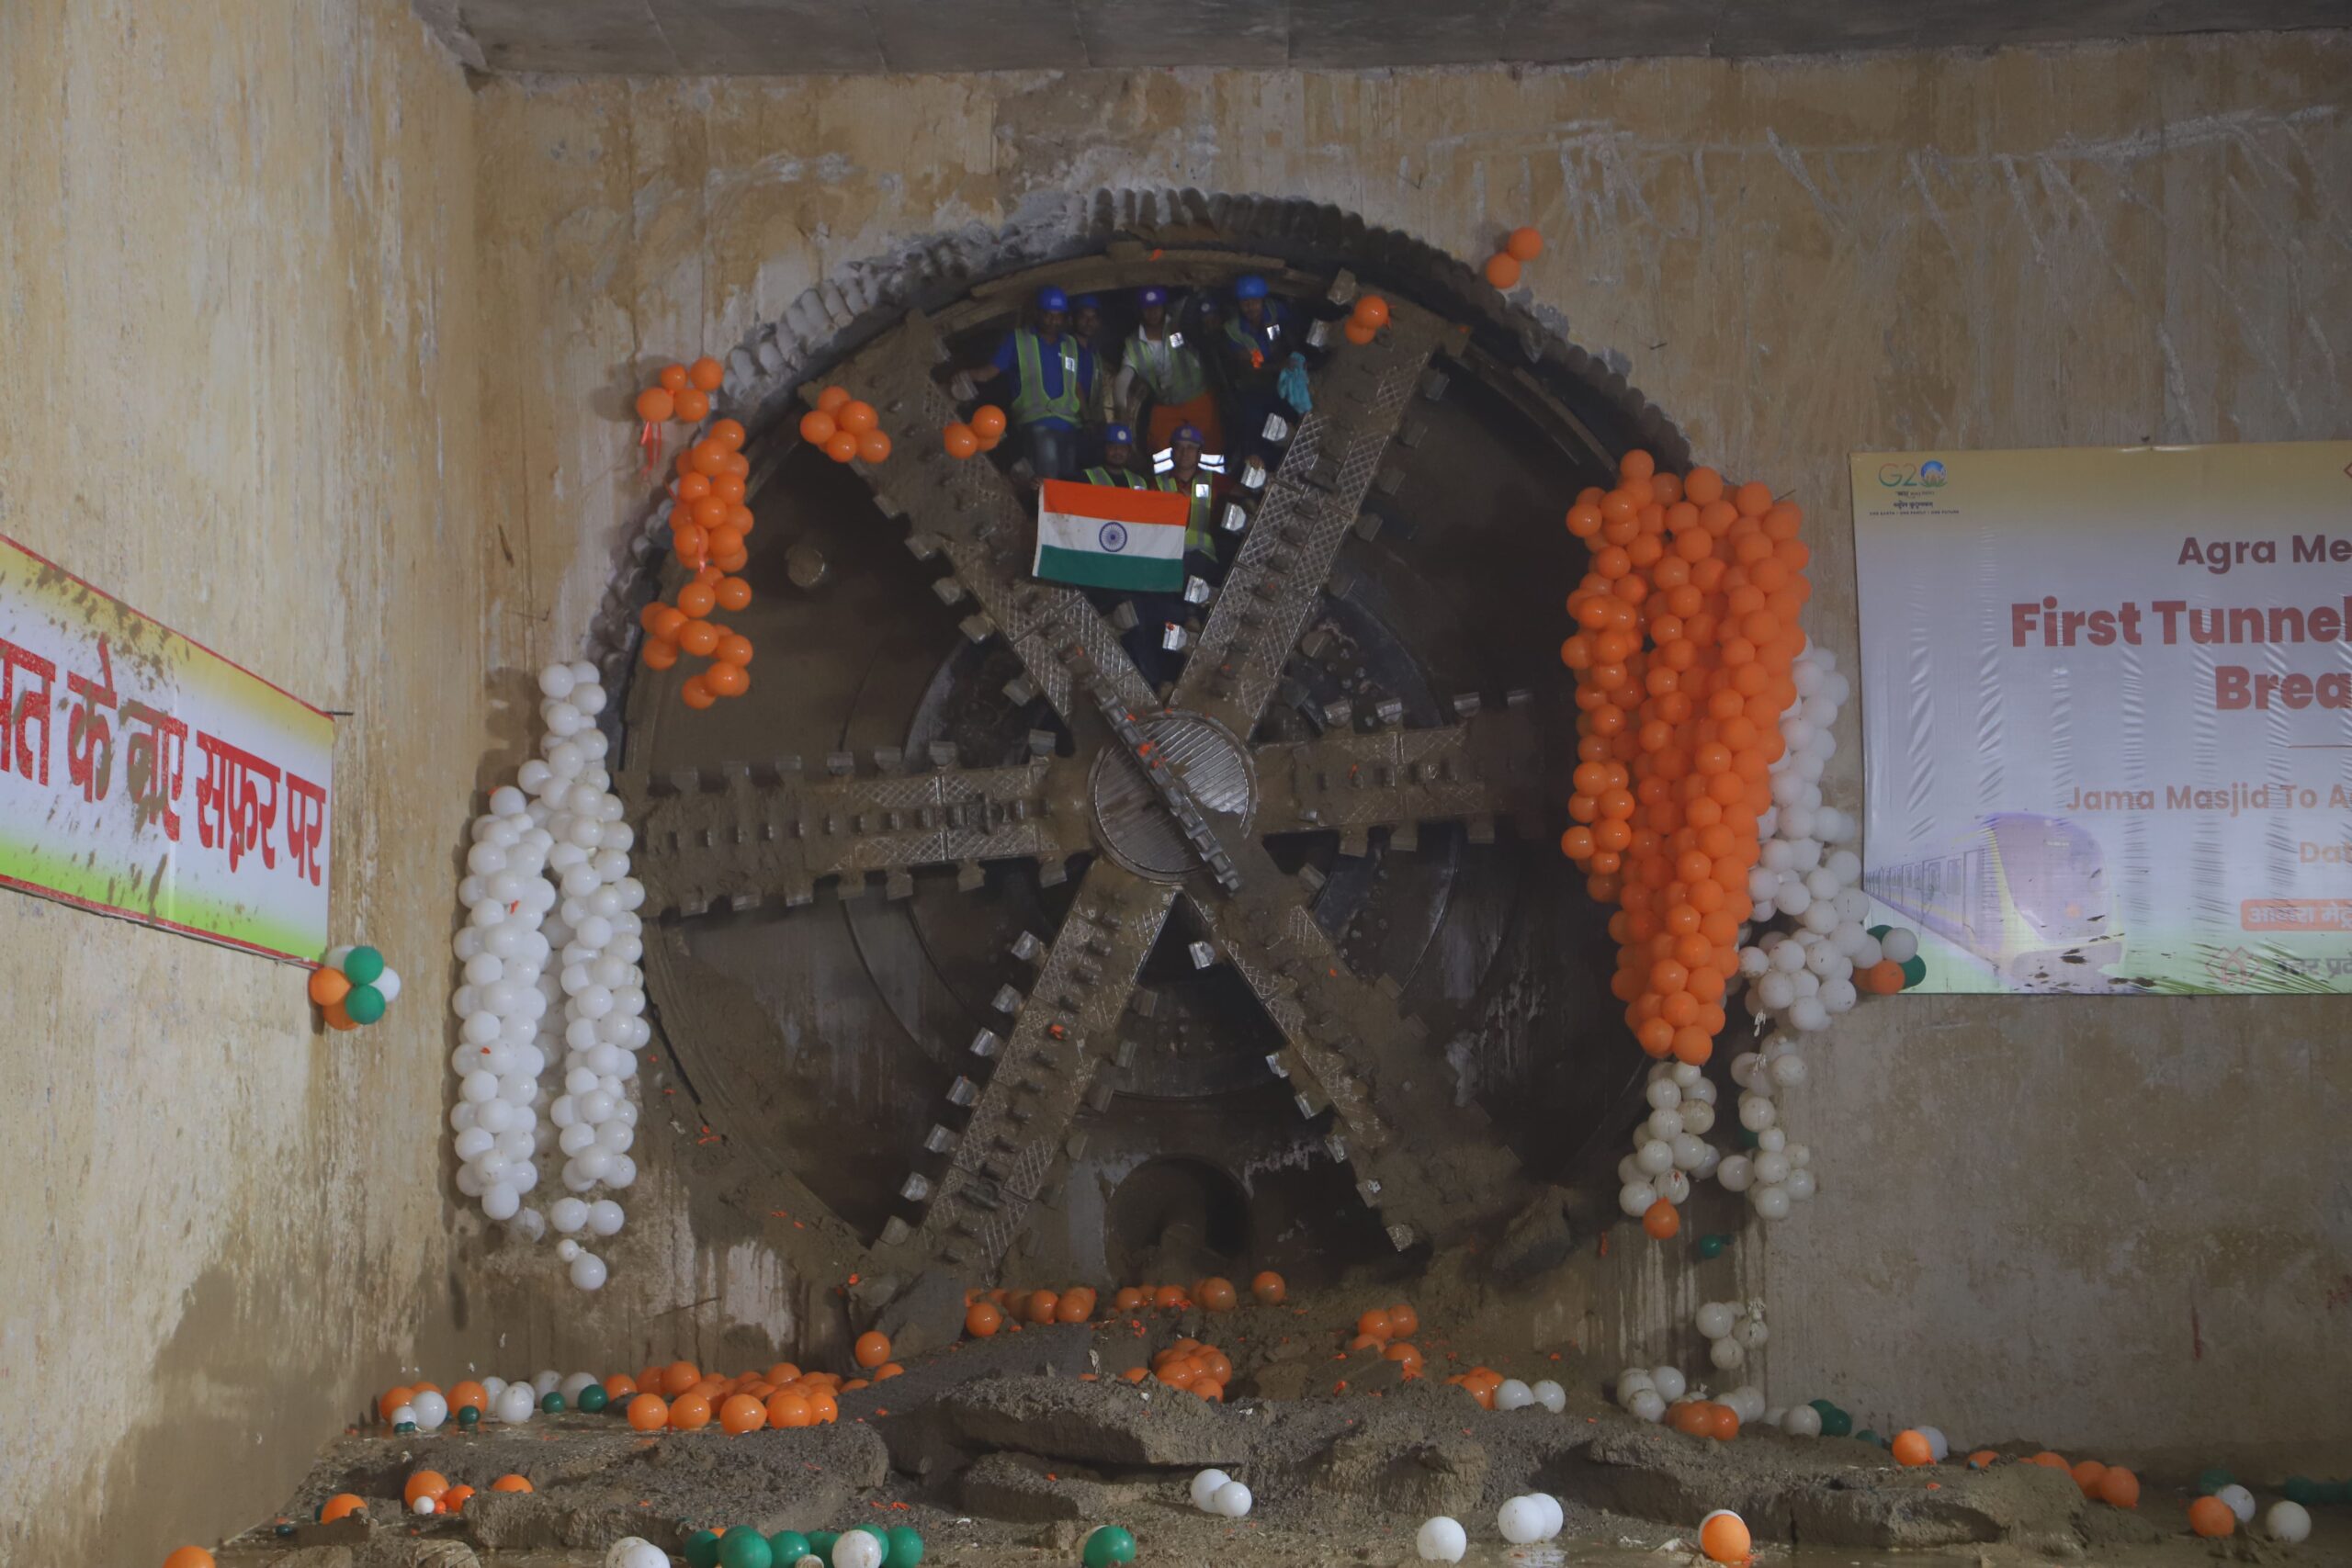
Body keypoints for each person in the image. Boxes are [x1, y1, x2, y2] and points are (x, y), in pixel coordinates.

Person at [964, 285, 1095, 481]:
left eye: (1058, 315)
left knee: (1067, 483)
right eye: (1048, 315)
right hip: (1036, 422)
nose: (1053, 320)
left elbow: (1075, 386)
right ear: (1037, 313)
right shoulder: (1018, 340)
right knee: (1048, 481)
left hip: (1069, 426)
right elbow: (989, 372)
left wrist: (1087, 419)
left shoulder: (1070, 344)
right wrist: (964, 375)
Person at [1114, 286, 1223, 457]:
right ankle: (1164, 483)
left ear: (1164, 307)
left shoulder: (1180, 326)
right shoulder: (1133, 343)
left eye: (1157, 307)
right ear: (1140, 310)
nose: (1152, 312)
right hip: (1165, 404)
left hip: (1197, 400)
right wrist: (1121, 407)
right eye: (1147, 308)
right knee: (1160, 450)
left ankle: (1215, 483)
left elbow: (1187, 305)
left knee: (1210, 450)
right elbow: (1124, 377)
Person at [1220, 275, 1299, 462]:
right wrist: (1277, 367)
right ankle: (1261, 466)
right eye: (1245, 303)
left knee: (1293, 417)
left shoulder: (1273, 310)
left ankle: (1297, 451)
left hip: (1283, 380)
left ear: (1262, 300)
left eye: (1255, 302)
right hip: (1255, 387)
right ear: (1239, 304)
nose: (1250, 308)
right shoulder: (1233, 330)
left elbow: (1293, 328)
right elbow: (1248, 366)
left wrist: (1294, 354)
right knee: (1257, 428)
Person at [1082, 423, 1154, 489]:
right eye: (1113, 447)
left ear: (1129, 452)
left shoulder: (1139, 482)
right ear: (1104, 449)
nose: (1118, 451)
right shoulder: (1087, 477)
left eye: (1123, 448)